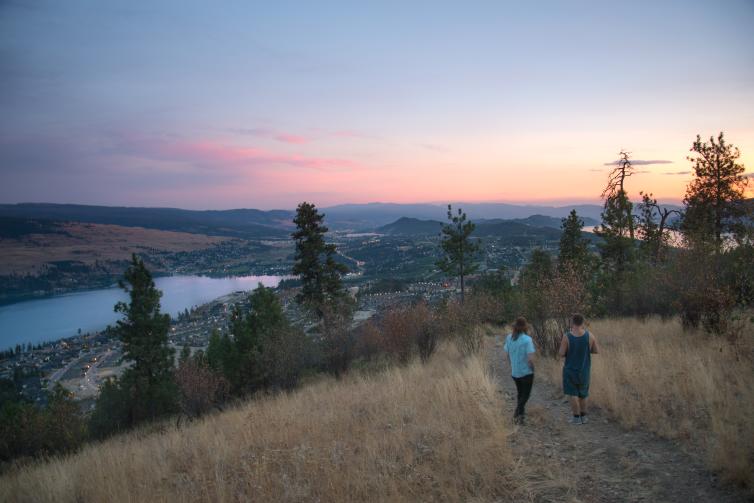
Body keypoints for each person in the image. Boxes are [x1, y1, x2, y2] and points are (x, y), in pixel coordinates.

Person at [559, 313, 599, 425]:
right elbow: (596, 350)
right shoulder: (590, 336)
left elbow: (561, 353)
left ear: (572, 322)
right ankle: (584, 417)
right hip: (584, 370)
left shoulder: (567, 336)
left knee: (573, 394)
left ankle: (576, 418)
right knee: (583, 394)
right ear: (582, 322)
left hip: (570, 370)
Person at [503, 317, 536, 425]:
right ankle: (516, 414)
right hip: (526, 372)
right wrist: (533, 368)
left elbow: (506, 354)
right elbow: (530, 358)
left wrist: (512, 365)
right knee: (525, 395)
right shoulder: (527, 339)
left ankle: (520, 419)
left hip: (515, 372)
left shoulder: (509, 338)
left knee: (520, 394)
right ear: (525, 327)